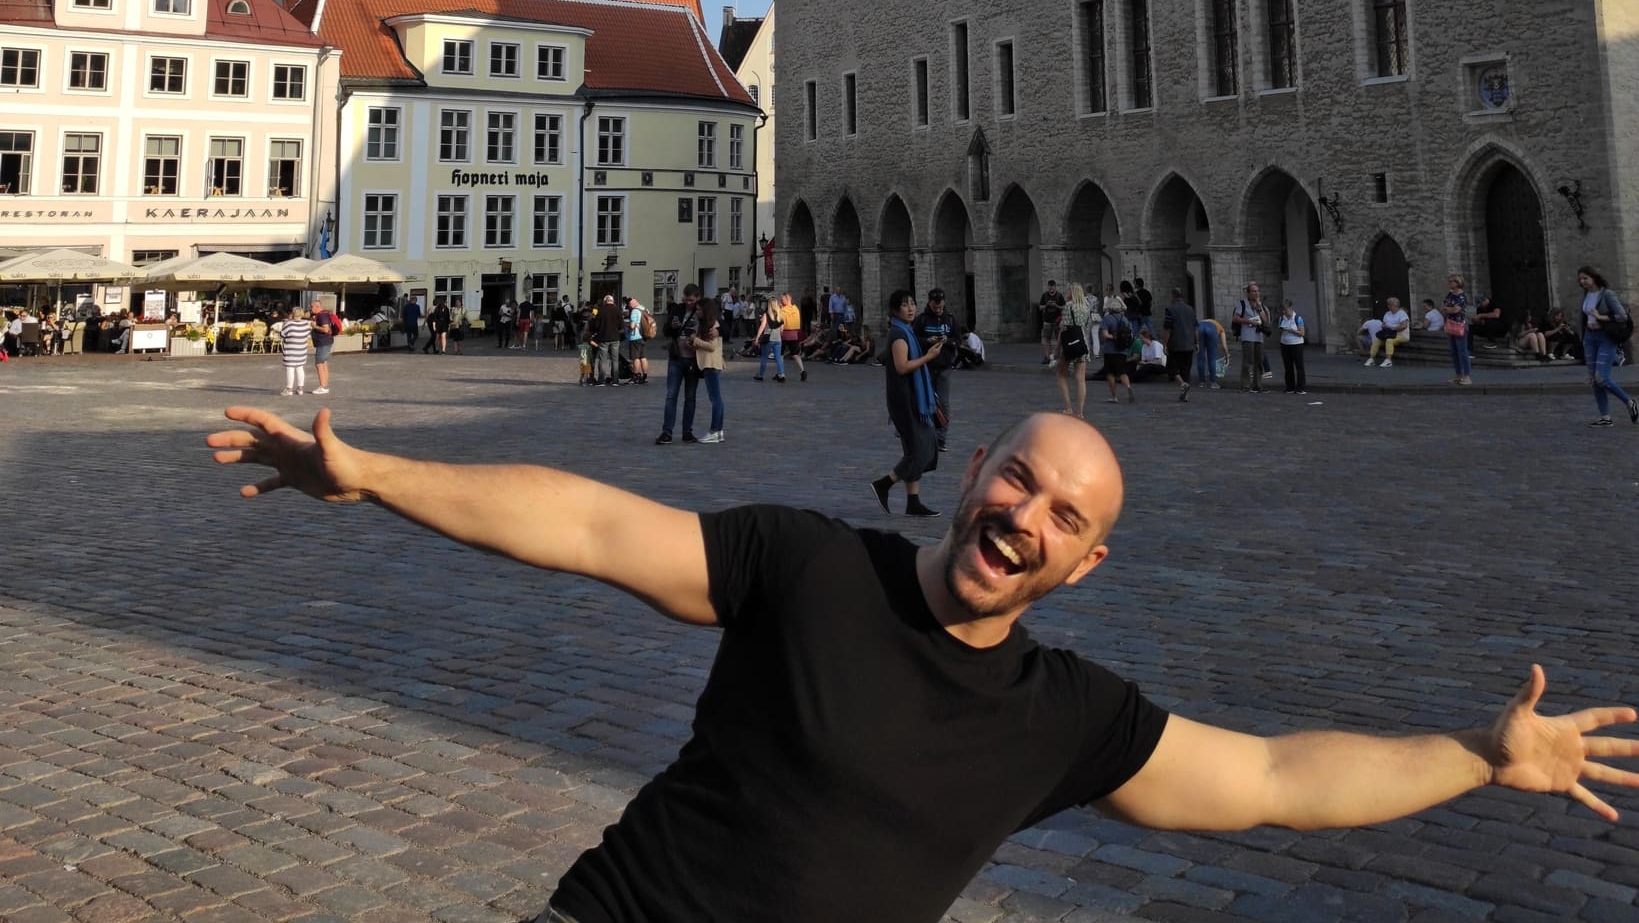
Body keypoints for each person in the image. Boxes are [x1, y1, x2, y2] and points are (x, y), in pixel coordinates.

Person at [207, 405, 1639, 923]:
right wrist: (373, 476)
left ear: (1085, 568)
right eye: (1016, 481)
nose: (1023, 515)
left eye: (1062, 518)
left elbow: (1269, 777)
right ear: (970, 475)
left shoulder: (1061, 719)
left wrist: (1476, 755)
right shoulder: (804, 563)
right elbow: (588, 521)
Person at [870, 290, 942, 518]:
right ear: (894, 310)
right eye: (904, 305)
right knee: (921, 449)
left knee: (918, 447)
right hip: (905, 400)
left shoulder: (906, 332)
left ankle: (913, 502)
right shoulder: (899, 335)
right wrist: (928, 357)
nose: (910, 308)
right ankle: (884, 483)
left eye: (912, 303)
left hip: (911, 398)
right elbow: (902, 367)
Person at [1576, 266, 1637, 430]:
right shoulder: (1586, 294)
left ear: (1593, 278)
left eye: (1585, 278)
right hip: (1589, 338)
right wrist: (1582, 338)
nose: (1582, 282)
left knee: (1601, 377)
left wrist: (1600, 316)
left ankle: (1629, 402)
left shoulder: (1606, 294)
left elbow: (1622, 315)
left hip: (1605, 338)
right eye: (1580, 279)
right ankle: (1605, 417)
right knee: (1595, 380)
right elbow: (1582, 317)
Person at [656, 284, 703, 444]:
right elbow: (665, 330)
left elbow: (719, 327)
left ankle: (687, 432)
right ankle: (667, 432)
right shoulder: (677, 309)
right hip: (676, 358)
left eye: (691, 300)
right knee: (671, 395)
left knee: (690, 397)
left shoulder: (701, 311)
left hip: (693, 359)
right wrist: (672, 326)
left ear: (697, 298)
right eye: (686, 299)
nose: (688, 303)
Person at [916, 288, 959, 442]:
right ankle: (927, 434)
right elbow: (914, 340)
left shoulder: (951, 319)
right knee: (926, 401)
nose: (938, 309)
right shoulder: (922, 320)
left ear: (944, 302)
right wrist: (927, 341)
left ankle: (941, 437)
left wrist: (947, 341)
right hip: (926, 366)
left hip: (944, 367)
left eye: (940, 306)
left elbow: (958, 340)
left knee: (944, 402)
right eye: (935, 307)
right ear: (930, 303)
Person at [1053, 282, 1095, 419]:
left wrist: (1057, 348)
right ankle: (1080, 412)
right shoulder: (1086, 307)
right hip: (1082, 344)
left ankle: (1068, 407)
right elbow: (1087, 325)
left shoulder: (1067, 307)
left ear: (1073, 293)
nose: (1066, 292)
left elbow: (1063, 330)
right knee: (1081, 379)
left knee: (1061, 374)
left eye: (1068, 290)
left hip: (1069, 345)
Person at [692, 298, 726, 443]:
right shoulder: (707, 324)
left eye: (699, 309)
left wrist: (695, 340)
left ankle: (714, 430)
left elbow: (711, 346)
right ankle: (718, 431)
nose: (697, 312)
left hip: (711, 364)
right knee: (716, 399)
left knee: (715, 399)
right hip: (711, 363)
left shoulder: (713, 325)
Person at [1098, 294, 1136, 406]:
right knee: (1122, 372)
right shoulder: (1125, 319)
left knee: (1110, 373)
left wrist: (1114, 337)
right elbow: (1131, 334)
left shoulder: (1107, 319)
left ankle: (1114, 396)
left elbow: (1105, 335)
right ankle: (1128, 387)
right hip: (1122, 350)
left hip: (1110, 350)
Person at [1161, 288, 1197, 404]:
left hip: (1176, 344)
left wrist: (1165, 343)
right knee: (1186, 371)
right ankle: (1185, 395)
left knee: (1172, 369)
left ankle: (1182, 384)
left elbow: (1168, 329)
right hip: (1189, 344)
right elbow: (1195, 327)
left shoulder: (1170, 310)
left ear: (1173, 297)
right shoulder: (1191, 309)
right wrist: (1196, 342)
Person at [1231, 285, 1270, 394]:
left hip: (1259, 337)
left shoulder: (1260, 305)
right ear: (1248, 293)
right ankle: (1246, 385)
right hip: (1247, 336)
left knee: (1259, 361)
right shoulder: (1242, 304)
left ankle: (1257, 385)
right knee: (1248, 361)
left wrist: (1259, 307)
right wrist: (1248, 321)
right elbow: (1235, 318)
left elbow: (1265, 321)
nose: (1256, 293)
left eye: (1257, 291)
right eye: (1253, 291)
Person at [1441, 275, 1474, 386]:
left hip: (1460, 325)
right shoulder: (1450, 294)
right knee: (1454, 351)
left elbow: (1456, 310)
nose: (1449, 283)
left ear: (1458, 282)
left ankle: (1467, 376)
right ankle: (1459, 375)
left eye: (1451, 281)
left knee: (1462, 351)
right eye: (1449, 281)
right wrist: (1449, 309)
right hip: (1450, 324)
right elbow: (1443, 307)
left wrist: (1449, 309)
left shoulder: (1462, 296)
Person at [275, 309, 312, 397]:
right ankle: (300, 389)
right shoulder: (306, 324)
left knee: (290, 369)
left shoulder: (289, 324)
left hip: (290, 351)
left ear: (292, 314)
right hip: (301, 350)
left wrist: (284, 325)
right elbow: (308, 335)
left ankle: (289, 389)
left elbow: (282, 335)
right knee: (300, 368)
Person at [308, 300, 342, 396]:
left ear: (318, 306)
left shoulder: (322, 315)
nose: (311, 309)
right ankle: (325, 385)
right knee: (324, 363)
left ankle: (323, 386)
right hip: (326, 341)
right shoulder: (324, 314)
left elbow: (325, 329)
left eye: (312, 307)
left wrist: (315, 326)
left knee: (319, 364)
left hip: (323, 342)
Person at [1367, 299, 1411, 368]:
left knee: (1389, 340)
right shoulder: (1387, 314)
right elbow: (1383, 325)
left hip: (1401, 335)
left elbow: (1404, 326)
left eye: (1390, 305)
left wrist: (1391, 328)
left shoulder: (1402, 313)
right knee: (1377, 340)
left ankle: (1388, 361)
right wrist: (1385, 327)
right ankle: (1371, 359)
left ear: (1395, 305)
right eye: (1388, 304)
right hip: (1389, 334)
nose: (1388, 306)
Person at [1276, 300, 1307, 394]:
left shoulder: (1298, 318)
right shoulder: (1282, 318)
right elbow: (1279, 330)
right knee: (1288, 366)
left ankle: (1300, 387)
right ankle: (1290, 387)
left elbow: (1302, 333)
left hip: (1297, 344)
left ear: (1290, 308)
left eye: (1285, 310)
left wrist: (1291, 330)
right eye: (1283, 310)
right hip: (1284, 344)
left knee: (1299, 366)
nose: (1284, 312)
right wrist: (1281, 329)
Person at [753, 292, 786, 381]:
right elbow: (782, 329)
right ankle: (781, 374)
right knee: (778, 357)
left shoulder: (766, 315)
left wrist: (757, 338)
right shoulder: (780, 315)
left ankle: (761, 374)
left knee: (764, 357)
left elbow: (762, 327)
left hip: (768, 338)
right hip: (778, 339)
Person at [594, 296, 624, 386]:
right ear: (612, 301)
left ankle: (601, 381)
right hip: (615, 338)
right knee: (615, 360)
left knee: (603, 360)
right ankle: (615, 381)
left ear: (605, 301)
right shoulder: (618, 311)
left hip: (603, 338)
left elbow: (596, 326)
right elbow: (621, 326)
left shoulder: (601, 311)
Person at [779, 291, 807, 382]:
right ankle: (802, 370)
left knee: (780, 354)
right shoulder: (796, 309)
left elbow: (781, 323)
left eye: (782, 299)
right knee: (795, 354)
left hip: (784, 334)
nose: (781, 301)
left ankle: (782, 374)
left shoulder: (783, 310)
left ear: (787, 299)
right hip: (794, 334)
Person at [1038, 280, 1065, 367]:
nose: (1051, 288)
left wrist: (1056, 305)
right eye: (1050, 287)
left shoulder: (1059, 295)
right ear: (1048, 287)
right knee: (1047, 339)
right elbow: (1040, 307)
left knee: (1058, 339)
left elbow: (1064, 307)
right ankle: (1047, 357)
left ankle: (1057, 357)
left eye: (1052, 287)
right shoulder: (1044, 295)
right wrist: (1046, 305)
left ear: (1055, 287)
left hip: (1057, 320)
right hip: (1047, 320)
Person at [1195, 314, 1225, 390]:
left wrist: (1197, 343)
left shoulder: (1202, 322)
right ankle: (1213, 382)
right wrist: (1227, 355)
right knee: (1212, 358)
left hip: (1199, 328)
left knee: (1200, 357)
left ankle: (1202, 382)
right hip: (1211, 330)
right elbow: (1224, 346)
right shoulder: (1220, 328)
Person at [626, 293, 651, 384]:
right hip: (643, 336)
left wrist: (628, 325)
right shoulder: (644, 309)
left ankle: (635, 376)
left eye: (629, 306)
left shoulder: (634, 311)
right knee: (643, 357)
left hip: (635, 336)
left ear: (631, 304)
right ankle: (645, 376)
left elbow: (632, 326)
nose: (629, 307)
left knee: (635, 358)